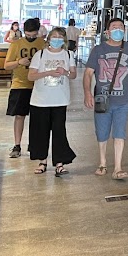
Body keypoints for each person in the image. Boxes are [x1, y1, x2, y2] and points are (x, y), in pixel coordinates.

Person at [83, 18, 128, 180]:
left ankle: (118, 167)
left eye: (121, 27)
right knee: (102, 133)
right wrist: (87, 93)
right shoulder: (98, 49)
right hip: (102, 99)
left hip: (123, 100)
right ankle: (102, 163)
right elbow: (88, 73)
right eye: (114, 27)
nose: (118, 30)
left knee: (120, 133)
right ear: (107, 32)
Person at [27, 26, 77, 176]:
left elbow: (73, 75)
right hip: (40, 100)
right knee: (40, 132)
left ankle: (60, 163)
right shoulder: (40, 55)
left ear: (64, 40)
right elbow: (31, 76)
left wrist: (65, 72)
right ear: (48, 39)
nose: (57, 40)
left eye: (60, 37)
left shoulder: (68, 54)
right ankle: (42, 161)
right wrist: (48, 72)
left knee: (59, 131)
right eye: (54, 37)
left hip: (60, 100)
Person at [3, 18, 47, 158]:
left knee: (38, 117)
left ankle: (34, 145)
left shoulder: (43, 44)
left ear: (38, 32)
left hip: (38, 84)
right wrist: (18, 62)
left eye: (33, 35)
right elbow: (6, 65)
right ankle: (17, 145)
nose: (30, 38)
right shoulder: (16, 44)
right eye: (28, 35)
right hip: (20, 84)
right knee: (19, 115)